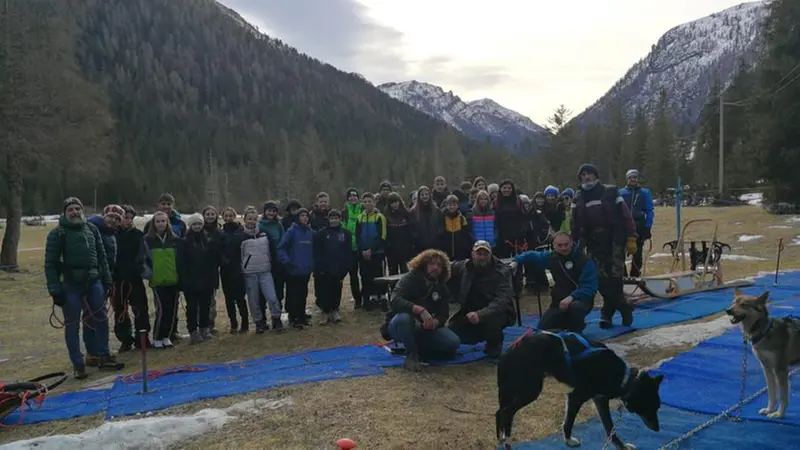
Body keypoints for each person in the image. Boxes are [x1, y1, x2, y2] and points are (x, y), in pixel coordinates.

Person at [45, 197, 123, 379]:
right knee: (72, 324)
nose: (75, 212)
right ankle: (78, 363)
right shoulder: (57, 234)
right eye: (71, 209)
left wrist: (107, 281)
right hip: (70, 284)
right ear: (65, 213)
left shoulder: (92, 229)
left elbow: (102, 258)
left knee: (101, 318)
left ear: (82, 211)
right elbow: (50, 264)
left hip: (94, 281)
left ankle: (103, 355)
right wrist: (55, 290)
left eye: (77, 209)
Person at [571, 163, 638, 329]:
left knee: (615, 280)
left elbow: (626, 216)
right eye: (583, 175)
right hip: (593, 244)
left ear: (596, 176)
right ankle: (624, 308)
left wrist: (631, 237)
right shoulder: (577, 198)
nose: (587, 177)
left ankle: (606, 315)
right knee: (600, 280)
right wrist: (574, 243)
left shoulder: (610, 191)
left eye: (590, 174)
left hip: (614, 241)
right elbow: (574, 223)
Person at [380, 249, 461, 372]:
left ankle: (419, 348)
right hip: (400, 324)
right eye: (432, 264)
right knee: (404, 318)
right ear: (423, 265)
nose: (435, 268)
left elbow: (444, 314)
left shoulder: (441, 286)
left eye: (439, 265)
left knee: (453, 342)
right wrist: (419, 310)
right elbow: (395, 300)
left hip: (424, 328)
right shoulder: (409, 279)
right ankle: (411, 355)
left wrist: (435, 322)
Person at [510, 232, 598, 332]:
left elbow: (590, 288)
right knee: (543, 330)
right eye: (560, 245)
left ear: (572, 243)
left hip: (581, 301)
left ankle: (577, 330)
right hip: (559, 302)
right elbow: (531, 255)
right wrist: (516, 261)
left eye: (566, 244)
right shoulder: (551, 257)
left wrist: (571, 297)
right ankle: (565, 322)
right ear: (554, 245)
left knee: (575, 308)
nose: (564, 248)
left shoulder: (585, 261)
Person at [447, 240, 515, 358]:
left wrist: (480, 314)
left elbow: (501, 302)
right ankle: (478, 335)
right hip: (469, 311)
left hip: (496, 313)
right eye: (479, 254)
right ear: (472, 254)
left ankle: (494, 343)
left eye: (485, 254)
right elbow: (444, 265)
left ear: (491, 254)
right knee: (451, 334)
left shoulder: (503, 272)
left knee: (493, 321)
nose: (482, 257)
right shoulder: (463, 266)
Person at [177, 214, 220, 343]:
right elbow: (181, 263)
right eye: (194, 224)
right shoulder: (184, 242)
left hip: (206, 280)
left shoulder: (207, 240)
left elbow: (213, 261)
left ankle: (204, 329)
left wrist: (213, 279)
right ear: (190, 225)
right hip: (190, 281)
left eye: (199, 224)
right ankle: (193, 331)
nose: (197, 226)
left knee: (205, 306)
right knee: (192, 308)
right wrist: (184, 281)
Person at [113, 205, 150, 351]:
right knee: (120, 310)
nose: (128, 221)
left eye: (130, 218)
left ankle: (142, 337)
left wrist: (139, 269)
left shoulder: (138, 235)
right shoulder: (113, 235)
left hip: (134, 278)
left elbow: (142, 255)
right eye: (125, 218)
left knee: (140, 308)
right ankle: (125, 339)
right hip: (118, 279)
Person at [240, 208, 283, 333]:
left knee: (272, 297)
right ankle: (259, 322)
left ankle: (276, 318)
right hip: (250, 273)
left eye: (254, 219)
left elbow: (272, 251)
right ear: (245, 220)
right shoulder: (241, 236)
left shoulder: (264, 234)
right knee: (254, 300)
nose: (252, 222)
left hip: (265, 271)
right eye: (249, 219)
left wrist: (274, 266)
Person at [143, 211, 181, 349]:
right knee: (162, 309)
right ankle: (157, 337)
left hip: (173, 280)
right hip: (158, 281)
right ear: (154, 223)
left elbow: (180, 260)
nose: (161, 224)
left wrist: (179, 275)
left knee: (172, 309)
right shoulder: (147, 240)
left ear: (167, 223)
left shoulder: (174, 240)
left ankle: (167, 336)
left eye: (163, 221)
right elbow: (142, 261)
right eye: (158, 221)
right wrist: (150, 275)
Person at [313, 209, 353, 324]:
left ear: (340, 219)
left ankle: (335, 310)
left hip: (339, 267)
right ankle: (325, 312)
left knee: (336, 289)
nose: (334, 220)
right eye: (332, 218)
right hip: (325, 268)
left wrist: (345, 267)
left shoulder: (345, 234)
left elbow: (348, 252)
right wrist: (319, 267)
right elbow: (317, 251)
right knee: (325, 290)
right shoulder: (321, 234)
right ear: (328, 219)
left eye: (336, 218)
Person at [278, 208, 315, 329]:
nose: (304, 218)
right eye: (302, 216)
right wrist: (286, 261)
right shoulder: (292, 231)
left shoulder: (310, 232)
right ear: (297, 218)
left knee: (303, 293)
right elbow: (281, 248)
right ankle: (293, 317)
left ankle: (301, 316)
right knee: (294, 294)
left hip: (305, 270)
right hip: (293, 269)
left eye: (306, 216)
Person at [356, 192, 388, 311]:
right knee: (366, 276)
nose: (367, 204)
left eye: (370, 201)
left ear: (374, 203)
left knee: (379, 275)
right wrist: (363, 250)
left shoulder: (380, 217)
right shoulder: (360, 218)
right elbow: (357, 236)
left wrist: (371, 250)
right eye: (365, 202)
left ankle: (383, 298)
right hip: (363, 253)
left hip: (377, 252)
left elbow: (383, 236)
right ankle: (371, 298)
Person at [620, 169, 655, 278]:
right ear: (627, 179)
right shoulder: (620, 193)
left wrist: (647, 228)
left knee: (637, 255)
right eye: (631, 177)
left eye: (635, 177)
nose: (633, 179)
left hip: (638, 226)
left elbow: (649, 211)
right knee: (620, 255)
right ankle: (623, 277)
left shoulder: (644, 193)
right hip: (623, 227)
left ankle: (634, 276)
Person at [220, 207, 248, 334]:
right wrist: (223, 259)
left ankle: (245, 323)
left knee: (240, 298)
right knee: (229, 299)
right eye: (226, 216)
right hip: (226, 270)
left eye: (230, 216)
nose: (228, 218)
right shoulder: (221, 232)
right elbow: (217, 249)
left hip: (239, 268)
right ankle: (233, 323)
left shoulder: (241, 231)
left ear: (234, 216)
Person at [258, 201, 285, 310]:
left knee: (278, 290)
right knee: (263, 291)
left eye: (274, 211)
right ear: (265, 212)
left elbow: (283, 241)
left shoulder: (278, 225)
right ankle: (263, 317)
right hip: (264, 261)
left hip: (277, 261)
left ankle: (277, 315)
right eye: (269, 211)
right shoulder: (259, 226)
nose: (271, 213)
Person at [200, 206, 222, 335]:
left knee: (211, 300)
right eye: (207, 214)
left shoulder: (219, 232)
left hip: (212, 270)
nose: (209, 216)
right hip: (199, 270)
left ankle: (210, 324)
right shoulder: (197, 230)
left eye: (212, 214)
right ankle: (201, 324)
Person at [493, 179, 525, 258]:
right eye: (504, 188)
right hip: (501, 237)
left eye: (509, 188)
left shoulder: (518, 201)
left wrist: (522, 232)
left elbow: (524, 217)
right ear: (500, 189)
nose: (507, 190)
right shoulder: (495, 203)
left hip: (517, 237)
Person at [342, 188, 363, 307]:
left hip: (362, 246)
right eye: (350, 196)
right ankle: (357, 299)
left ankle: (366, 295)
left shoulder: (363, 209)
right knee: (353, 275)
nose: (353, 198)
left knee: (365, 274)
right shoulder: (344, 211)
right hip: (350, 248)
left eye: (355, 195)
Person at [409, 186, 443, 253]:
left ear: (430, 195)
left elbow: (441, 225)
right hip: (420, 247)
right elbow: (411, 228)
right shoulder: (413, 212)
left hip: (435, 245)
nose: (425, 196)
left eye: (426, 194)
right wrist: (417, 239)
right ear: (419, 196)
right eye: (422, 195)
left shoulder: (437, 210)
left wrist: (438, 236)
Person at [384, 192, 412, 276]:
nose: (395, 204)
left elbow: (410, 232)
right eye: (392, 202)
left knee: (405, 274)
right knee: (393, 274)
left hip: (405, 250)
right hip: (392, 251)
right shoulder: (386, 216)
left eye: (396, 202)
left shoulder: (406, 214)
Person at [440, 194, 472, 262]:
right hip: (446, 251)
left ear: (457, 205)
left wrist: (465, 249)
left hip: (460, 251)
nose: (452, 207)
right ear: (446, 206)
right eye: (450, 205)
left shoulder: (462, 218)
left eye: (454, 205)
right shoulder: (442, 218)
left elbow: (465, 235)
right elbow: (440, 234)